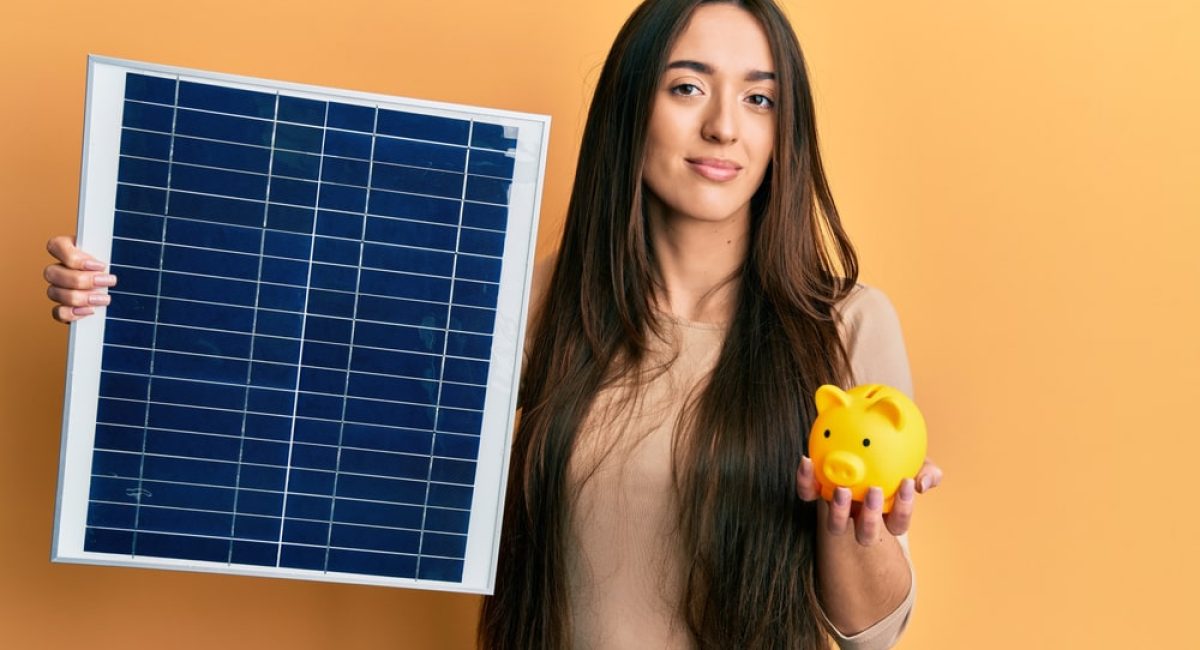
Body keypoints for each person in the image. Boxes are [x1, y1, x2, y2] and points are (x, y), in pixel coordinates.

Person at [45, 0, 944, 647]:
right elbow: (311, 365)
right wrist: (125, 299)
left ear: (787, 130)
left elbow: (873, 631)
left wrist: (847, 527)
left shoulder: (845, 328)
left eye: (760, 98)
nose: (723, 128)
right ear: (633, 109)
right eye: (686, 87)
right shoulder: (532, 302)